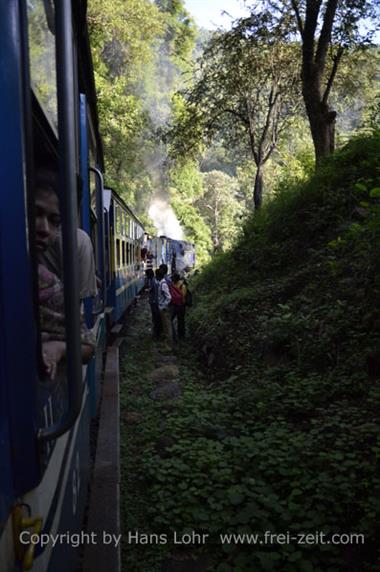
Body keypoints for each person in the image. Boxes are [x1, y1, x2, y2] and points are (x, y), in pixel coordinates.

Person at [35, 168, 95, 379]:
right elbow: (82, 299)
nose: (44, 228)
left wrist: (59, 347)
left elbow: (87, 343)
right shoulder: (81, 241)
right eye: (34, 213)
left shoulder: (49, 284)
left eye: (54, 220)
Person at [157, 267, 172, 348]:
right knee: (165, 327)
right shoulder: (162, 283)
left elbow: (168, 297)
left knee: (167, 327)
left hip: (164, 309)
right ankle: (166, 344)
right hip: (163, 308)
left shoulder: (163, 284)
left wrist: (163, 306)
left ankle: (169, 346)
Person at [169, 273, 186, 341]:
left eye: (172, 278)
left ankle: (179, 336)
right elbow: (183, 295)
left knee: (175, 320)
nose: (172, 279)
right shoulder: (183, 285)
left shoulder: (178, 285)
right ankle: (181, 335)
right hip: (181, 305)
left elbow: (182, 296)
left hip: (177, 305)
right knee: (181, 320)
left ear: (175, 279)